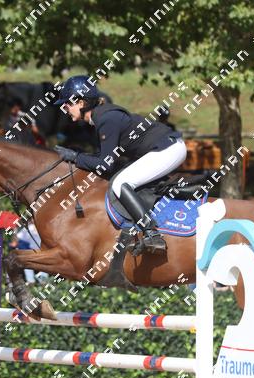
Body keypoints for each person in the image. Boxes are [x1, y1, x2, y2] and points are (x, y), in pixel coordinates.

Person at [52, 75, 186, 255]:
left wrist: (76, 157)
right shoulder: (101, 117)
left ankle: (152, 234)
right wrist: (79, 156)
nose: (65, 108)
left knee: (120, 183)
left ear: (81, 102)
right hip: (164, 148)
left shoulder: (106, 119)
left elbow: (105, 164)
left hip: (168, 149)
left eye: (68, 104)